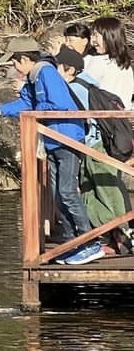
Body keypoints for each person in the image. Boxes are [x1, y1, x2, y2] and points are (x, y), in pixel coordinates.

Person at [0, 35, 102, 265]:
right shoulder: (33, 78)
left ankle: (89, 242)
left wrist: (35, 110)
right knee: (58, 195)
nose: (13, 67)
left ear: (26, 59)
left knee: (67, 192)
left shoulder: (46, 72)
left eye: (15, 62)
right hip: (53, 142)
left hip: (66, 139)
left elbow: (59, 104)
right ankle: (70, 242)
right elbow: (25, 103)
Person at [55, 45, 131, 253]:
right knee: (98, 193)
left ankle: (120, 237)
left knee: (102, 194)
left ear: (69, 70)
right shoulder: (89, 82)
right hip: (99, 145)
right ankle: (113, 237)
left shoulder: (75, 89)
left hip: (94, 146)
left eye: (57, 68)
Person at [83, 16, 134, 109]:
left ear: (109, 37)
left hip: (100, 119)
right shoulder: (126, 66)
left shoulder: (97, 62)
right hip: (121, 120)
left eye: (96, 35)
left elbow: (80, 87)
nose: (92, 41)